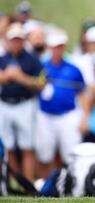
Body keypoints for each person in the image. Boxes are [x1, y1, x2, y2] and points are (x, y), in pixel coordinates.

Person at [35, 30, 86, 178]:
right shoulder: (41, 66)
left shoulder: (73, 69)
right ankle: (43, 187)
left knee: (71, 155)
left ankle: (73, 187)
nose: (58, 50)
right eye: (55, 46)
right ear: (49, 47)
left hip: (68, 115)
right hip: (45, 115)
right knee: (44, 155)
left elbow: (83, 94)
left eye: (60, 46)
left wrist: (84, 117)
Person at [0, 23, 44, 181]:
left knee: (27, 147)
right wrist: (6, 77)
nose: (16, 43)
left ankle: (28, 183)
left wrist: (20, 78)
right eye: (13, 40)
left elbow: (41, 83)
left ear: (23, 40)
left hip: (25, 104)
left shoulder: (32, 60)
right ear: (8, 40)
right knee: (8, 147)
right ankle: (14, 182)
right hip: (5, 104)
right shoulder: (2, 58)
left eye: (19, 39)